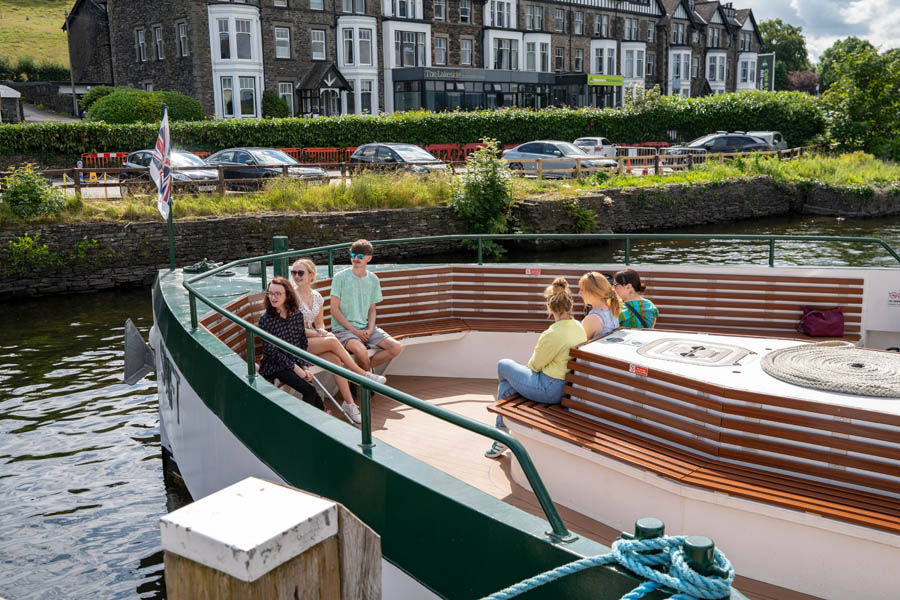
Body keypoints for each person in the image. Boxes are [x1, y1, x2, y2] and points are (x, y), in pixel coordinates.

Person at [485, 277, 587, 459]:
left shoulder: (552, 334)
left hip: (550, 389)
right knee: (506, 387)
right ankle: (501, 435)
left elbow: (535, 365)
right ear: (571, 307)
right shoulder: (579, 327)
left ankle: (500, 434)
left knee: (503, 365)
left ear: (549, 308)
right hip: (567, 388)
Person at [291, 258, 386, 424]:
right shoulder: (291, 297)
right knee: (333, 341)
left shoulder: (317, 296)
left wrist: (320, 330)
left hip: (312, 340)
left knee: (335, 360)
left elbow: (319, 322)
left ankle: (349, 404)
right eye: (294, 272)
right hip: (295, 342)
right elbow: (293, 328)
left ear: (311, 275)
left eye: (300, 273)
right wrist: (319, 334)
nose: (296, 276)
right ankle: (362, 374)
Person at [330, 239, 403, 375]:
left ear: (369, 258)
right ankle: (367, 379)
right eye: (353, 255)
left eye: (360, 256)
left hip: (365, 328)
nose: (356, 259)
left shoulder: (373, 279)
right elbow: (333, 309)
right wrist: (355, 331)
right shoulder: (340, 277)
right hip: (343, 330)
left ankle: (359, 374)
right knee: (361, 351)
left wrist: (369, 329)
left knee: (396, 347)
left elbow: (372, 309)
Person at [257, 276, 324, 411]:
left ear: (287, 295)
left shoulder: (296, 315)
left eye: (278, 294)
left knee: (311, 388)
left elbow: (302, 343)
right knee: (309, 390)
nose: (273, 297)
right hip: (275, 365)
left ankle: (322, 414)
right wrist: (296, 368)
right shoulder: (266, 319)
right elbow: (271, 352)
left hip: (294, 360)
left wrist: (304, 366)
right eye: (270, 293)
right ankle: (308, 423)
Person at [578, 271, 622, 339]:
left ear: (594, 292)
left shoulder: (592, 319)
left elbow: (577, 346)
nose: (579, 293)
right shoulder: (612, 310)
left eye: (582, 290)